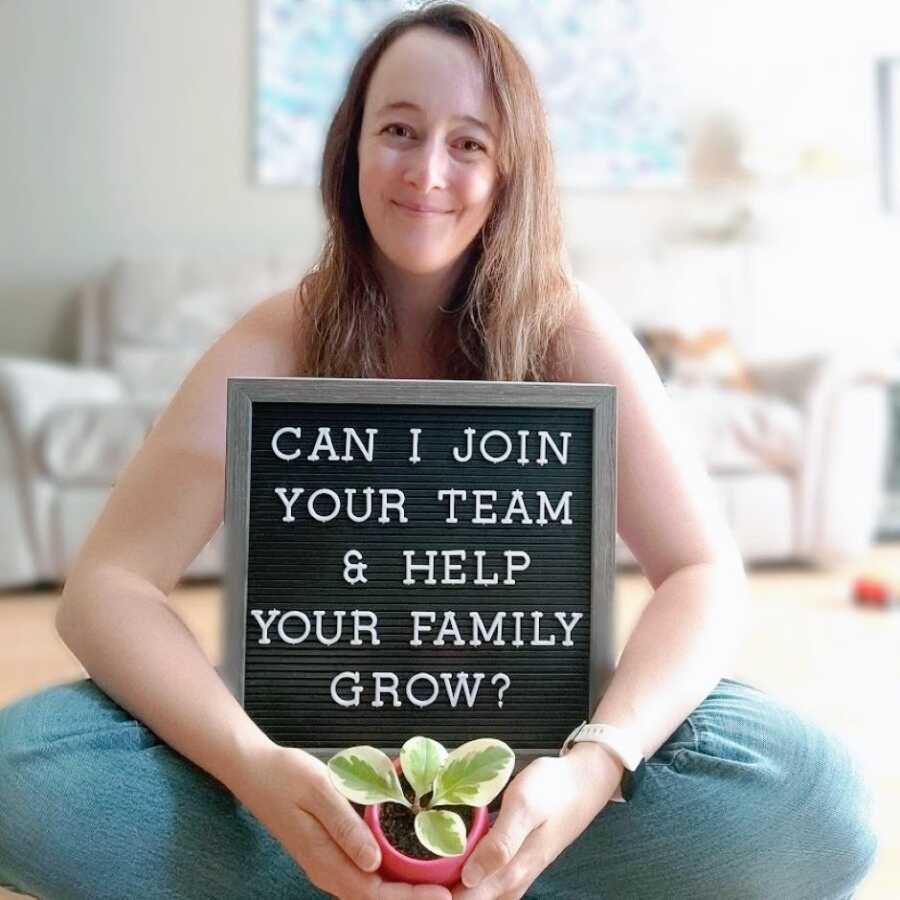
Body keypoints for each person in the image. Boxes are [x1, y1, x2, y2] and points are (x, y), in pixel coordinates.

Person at [0, 3, 878, 898]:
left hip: (535, 763)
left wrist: (594, 770)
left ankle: (486, 865)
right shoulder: (275, 338)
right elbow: (106, 587)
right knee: (20, 770)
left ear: (510, 169)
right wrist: (252, 768)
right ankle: (356, 864)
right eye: (399, 130)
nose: (427, 172)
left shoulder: (567, 328)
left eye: (469, 143)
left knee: (810, 794)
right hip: (307, 761)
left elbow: (704, 573)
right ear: (351, 149)